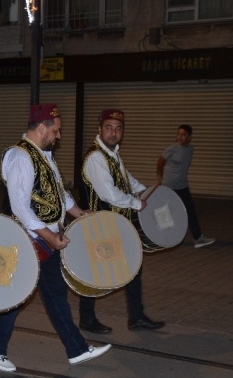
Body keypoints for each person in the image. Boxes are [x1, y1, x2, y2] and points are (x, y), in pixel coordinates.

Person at [0, 103, 111, 373]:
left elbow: (58, 192)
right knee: (14, 298)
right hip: (23, 240)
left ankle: (76, 349)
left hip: (45, 239)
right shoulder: (20, 157)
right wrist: (50, 237)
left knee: (55, 296)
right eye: (56, 130)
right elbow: (20, 206)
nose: (59, 136)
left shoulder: (44, 155)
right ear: (41, 128)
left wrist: (79, 214)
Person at [78, 109, 165, 334]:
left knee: (133, 267)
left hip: (116, 223)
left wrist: (143, 191)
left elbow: (126, 179)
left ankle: (136, 317)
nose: (114, 133)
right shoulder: (96, 157)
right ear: (99, 129)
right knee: (95, 270)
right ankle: (87, 319)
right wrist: (136, 204)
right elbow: (108, 192)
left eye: (118, 128)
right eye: (109, 127)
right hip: (101, 223)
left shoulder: (113, 154)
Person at [156, 124, 215, 248]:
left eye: (183, 135)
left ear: (189, 137)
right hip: (169, 186)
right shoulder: (172, 148)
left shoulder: (190, 149)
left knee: (190, 211)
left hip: (182, 186)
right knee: (166, 213)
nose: (180, 137)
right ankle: (162, 238)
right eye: (178, 134)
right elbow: (160, 162)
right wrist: (160, 177)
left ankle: (198, 239)